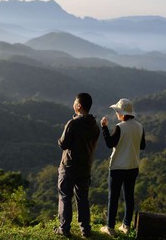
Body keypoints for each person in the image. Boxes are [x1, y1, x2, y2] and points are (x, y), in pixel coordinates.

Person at [54, 93, 100, 238]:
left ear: (79, 106)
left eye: (75, 102)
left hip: (69, 166)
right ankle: (85, 229)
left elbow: (63, 144)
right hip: (85, 166)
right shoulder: (94, 125)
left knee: (65, 197)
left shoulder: (72, 123)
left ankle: (64, 228)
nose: (73, 104)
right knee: (82, 198)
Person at [99, 98, 146, 237]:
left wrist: (104, 127)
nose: (116, 114)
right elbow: (142, 146)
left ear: (122, 113)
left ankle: (110, 227)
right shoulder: (139, 127)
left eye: (117, 112)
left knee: (113, 197)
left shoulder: (120, 127)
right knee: (129, 196)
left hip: (118, 167)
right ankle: (126, 225)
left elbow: (109, 143)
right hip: (133, 166)